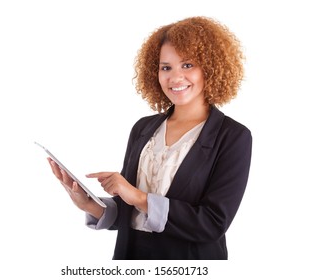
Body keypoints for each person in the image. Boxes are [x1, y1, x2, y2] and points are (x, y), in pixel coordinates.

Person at [48, 16, 252, 260]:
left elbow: (212, 223)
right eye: (166, 67)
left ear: (210, 66)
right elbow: (132, 214)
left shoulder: (233, 136)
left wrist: (137, 196)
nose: (175, 77)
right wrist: (89, 204)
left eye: (187, 65)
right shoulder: (143, 129)